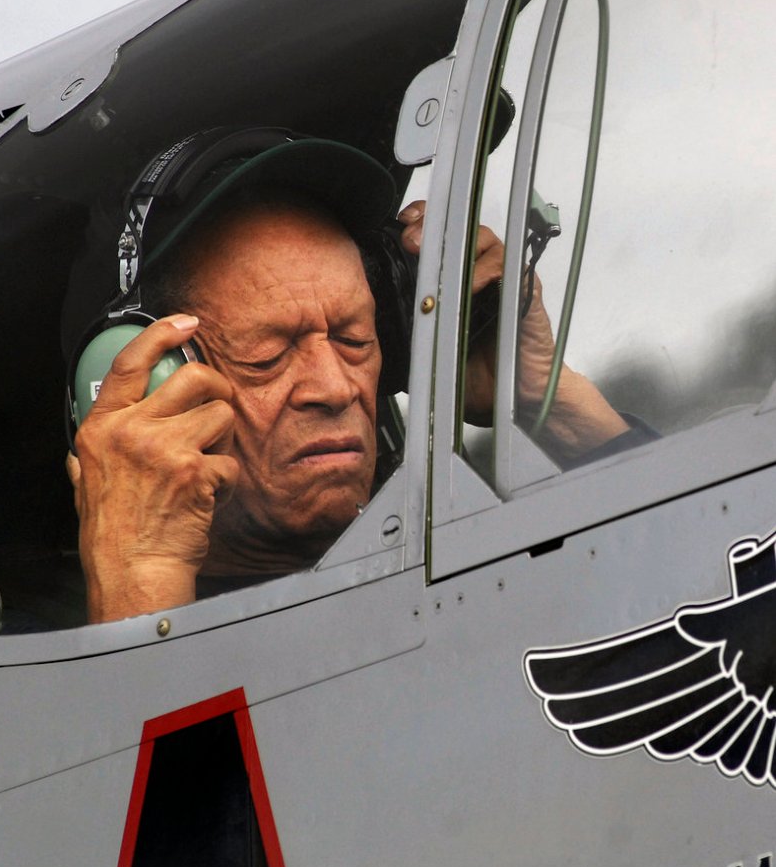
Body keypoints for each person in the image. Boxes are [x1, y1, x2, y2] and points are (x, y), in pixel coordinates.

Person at [65, 130, 636, 624]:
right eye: (270, 356)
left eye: (355, 339)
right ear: (156, 385)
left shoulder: (479, 567)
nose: (336, 388)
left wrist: (546, 401)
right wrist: (139, 576)